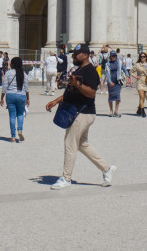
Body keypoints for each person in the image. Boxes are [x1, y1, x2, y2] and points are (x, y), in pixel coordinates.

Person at [45, 43, 116, 190]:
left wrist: (77, 84)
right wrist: (55, 101)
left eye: (75, 54)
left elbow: (91, 93)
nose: (73, 56)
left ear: (84, 55)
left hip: (82, 113)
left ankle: (66, 178)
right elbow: (71, 92)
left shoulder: (90, 71)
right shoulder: (79, 70)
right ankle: (107, 168)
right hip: (79, 112)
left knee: (70, 143)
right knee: (82, 145)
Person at [0, 56, 30, 141]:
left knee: (12, 116)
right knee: (20, 114)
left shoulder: (8, 73)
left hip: (10, 95)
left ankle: (13, 136)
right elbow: (26, 87)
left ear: (12, 64)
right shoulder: (23, 74)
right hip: (21, 95)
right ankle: (20, 130)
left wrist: (2, 97)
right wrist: (28, 98)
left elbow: (4, 86)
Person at [131, 52, 147, 117]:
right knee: (142, 96)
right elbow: (131, 71)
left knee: (143, 97)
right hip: (140, 81)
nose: (142, 58)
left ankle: (139, 109)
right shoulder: (137, 65)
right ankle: (143, 111)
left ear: (146, 57)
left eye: (144, 56)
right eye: (141, 57)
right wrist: (135, 76)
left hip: (146, 82)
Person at [105, 51, 123, 117]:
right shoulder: (108, 64)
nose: (114, 57)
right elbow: (107, 73)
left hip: (118, 81)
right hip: (111, 81)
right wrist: (109, 81)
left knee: (117, 95)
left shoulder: (119, 62)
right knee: (111, 96)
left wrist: (127, 74)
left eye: (115, 56)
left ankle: (116, 111)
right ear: (110, 57)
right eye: (112, 56)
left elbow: (123, 68)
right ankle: (111, 111)